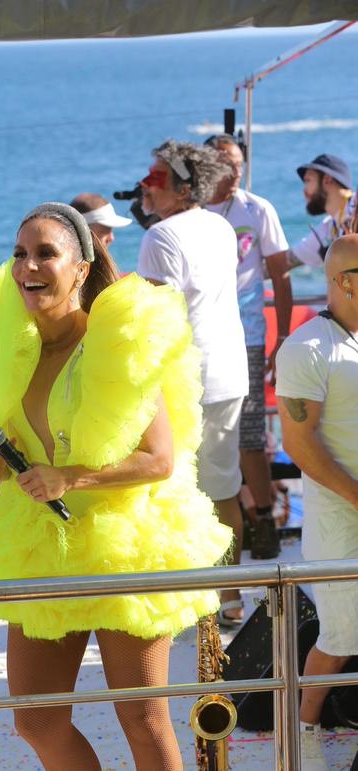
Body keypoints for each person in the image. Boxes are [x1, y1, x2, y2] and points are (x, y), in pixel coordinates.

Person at [0, 201, 232, 771]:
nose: (27, 267)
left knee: (141, 716)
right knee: (35, 720)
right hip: (44, 547)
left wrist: (68, 476)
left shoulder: (118, 345)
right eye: (19, 254)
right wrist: (2, 457)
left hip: (124, 546)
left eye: (45, 253)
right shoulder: (19, 347)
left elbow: (159, 460)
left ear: (81, 269)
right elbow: (30, 430)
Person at [136, 140, 249, 626]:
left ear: (182, 187)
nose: (146, 184)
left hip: (184, 379)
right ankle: (230, 596)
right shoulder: (221, 226)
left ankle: (187, 599)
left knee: (173, 488)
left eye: (155, 178)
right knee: (224, 488)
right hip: (228, 370)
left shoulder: (159, 239)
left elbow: (155, 318)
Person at [276, 234, 358, 770]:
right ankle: (305, 730)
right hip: (338, 520)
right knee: (341, 634)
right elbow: (299, 445)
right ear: (347, 281)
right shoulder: (306, 348)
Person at [205, 134, 292, 563]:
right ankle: (217, 524)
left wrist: (283, 335)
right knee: (205, 437)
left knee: (251, 435)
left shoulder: (257, 209)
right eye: (226, 161)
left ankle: (263, 521)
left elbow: (281, 274)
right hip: (204, 340)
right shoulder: (195, 213)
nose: (236, 169)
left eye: (240, 161)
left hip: (250, 337)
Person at [287, 154, 354, 269]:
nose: (304, 191)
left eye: (308, 180)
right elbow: (285, 261)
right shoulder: (329, 228)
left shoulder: (354, 208)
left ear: (327, 180)